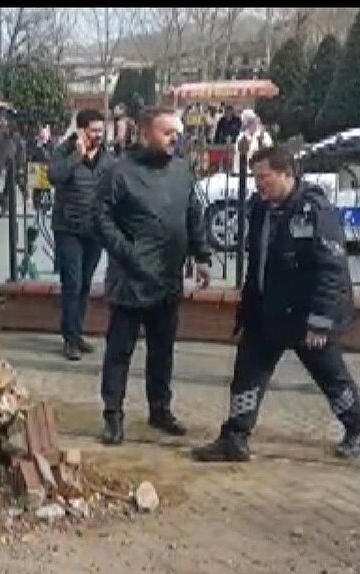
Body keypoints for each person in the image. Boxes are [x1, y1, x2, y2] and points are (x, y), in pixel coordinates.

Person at [193, 146, 360, 463]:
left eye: (264, 177)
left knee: (331, 376)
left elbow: (332, 270)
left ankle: (356, 429)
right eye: (256, 178)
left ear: (287, 174)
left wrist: (320, 321)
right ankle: (235, 436)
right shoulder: (260, 208)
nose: (258, 184)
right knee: (247, 376)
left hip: (305, 316)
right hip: (267, 311)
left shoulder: (314, 210)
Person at [95, 106, 213, 445]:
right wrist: (127, 252)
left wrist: (202, 255)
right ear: (146, 133)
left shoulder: (181, 170)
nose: (175, 138)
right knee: (120, 351)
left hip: (167, 277)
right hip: (131, 278)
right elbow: (100, 219)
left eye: (177, 133)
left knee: (163, 350)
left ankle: (160, 408)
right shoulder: (118, 172)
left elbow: (193, 213)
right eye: (167, 133)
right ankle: (113, 414)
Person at [48, 109, 113, 361]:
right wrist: (78, 155)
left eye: (101, 130)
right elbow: (55, 176)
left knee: (85, 284)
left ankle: (77, 332)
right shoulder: (65, 152)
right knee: (72, 283)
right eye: (94, 130)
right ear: (81, 130)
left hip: (94, 229)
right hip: (68, 228)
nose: (98, 135)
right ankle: (69, 338)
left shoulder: (108, 158)